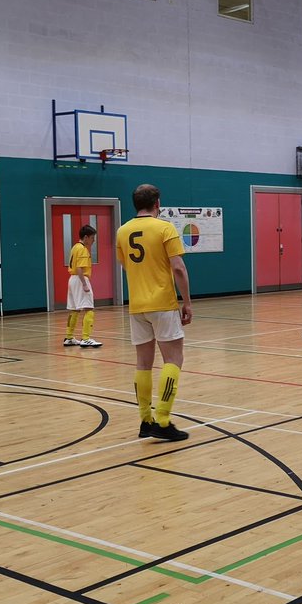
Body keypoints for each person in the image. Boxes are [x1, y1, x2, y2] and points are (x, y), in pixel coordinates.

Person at [116, 184, 193, 441]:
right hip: (162, 303)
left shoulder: (122, 231)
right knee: (173, 359)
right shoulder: (164, 228)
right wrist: (187, 302)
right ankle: (163, 419)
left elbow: (126, 265)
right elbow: (178, 268)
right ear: (157, 203)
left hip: (137, 305)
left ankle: (145, 421)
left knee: (143, 363)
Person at [64, 224, 103, 347]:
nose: (93, 241)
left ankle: (69, 337)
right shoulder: (83, 249)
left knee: (74, 309)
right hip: (80, 279)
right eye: (92, 238)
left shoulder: (75, 247)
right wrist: (84, 284)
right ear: (86, 237)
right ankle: (86, 338)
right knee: (89, 308)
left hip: (72, 280)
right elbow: (80, 268)